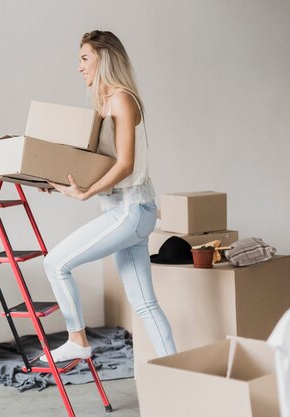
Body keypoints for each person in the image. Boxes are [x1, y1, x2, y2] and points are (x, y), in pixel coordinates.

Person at [39, 30, 176, 363]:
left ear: (105, 59)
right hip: (130, 210)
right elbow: (102, 165)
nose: (79, 67)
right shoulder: (106, 104)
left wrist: (86, 193)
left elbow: (126, 164)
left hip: (130, 210)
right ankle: (177, 373)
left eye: (85, 58)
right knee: (144, 303)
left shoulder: (121, 99)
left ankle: (77, 339)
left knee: (55, 263)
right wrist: (58, 182)